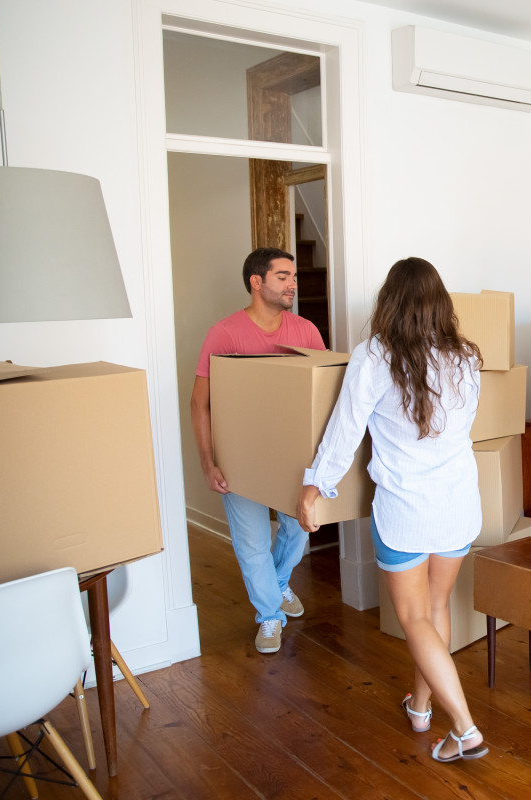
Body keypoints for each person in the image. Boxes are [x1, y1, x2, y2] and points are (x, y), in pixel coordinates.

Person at [296, 257, 488, 763]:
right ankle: (421, 710)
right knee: (436, 610)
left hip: (405, 510)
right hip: (458, 505)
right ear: (439, 304)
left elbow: (344, 429)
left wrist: (315, 486)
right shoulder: (465, 358)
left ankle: (465, 728)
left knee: (413, 617)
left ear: (390, 303)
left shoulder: (375, 356)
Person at [190, 246, 325, 655]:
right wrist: (208, 461)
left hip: (293, 458)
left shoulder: (306, 331)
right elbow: (200, 402)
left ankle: (279, 584)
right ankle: (269, 616)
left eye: (294, 276)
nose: (293, 284)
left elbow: (321, 396)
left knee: (298, 526)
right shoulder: (225, 333)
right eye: (282, 276)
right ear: (256, 281)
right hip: (239, 456)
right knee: (250, 540)